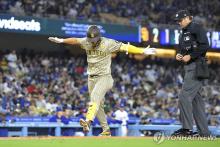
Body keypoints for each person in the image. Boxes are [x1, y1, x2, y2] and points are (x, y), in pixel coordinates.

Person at [48, 25, 156, 136]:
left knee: (95, 97)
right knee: (98, 105)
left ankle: (88, 121)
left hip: (105, 77)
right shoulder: (86, 41)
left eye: (94, 40)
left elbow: (125, 47)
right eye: (90, 40)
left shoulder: (108, 43)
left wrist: (141, 51)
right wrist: (61, 40)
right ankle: (106, 130)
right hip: (91, 78)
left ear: (99, 37)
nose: (92, 42)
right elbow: (75, 40)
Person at [172, 10, 210, 137]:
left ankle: (186, 129)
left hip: (197, 66)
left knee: (184, 96)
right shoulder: (182, 33)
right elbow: (182, 49)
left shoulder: (196, 28)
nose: (179, 22)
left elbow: (205, 45)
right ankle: (204, 133)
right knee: (196, 101)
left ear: (188, 18)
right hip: (189, 67)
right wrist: (179, 54)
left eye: (181, 20)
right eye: (177, 21)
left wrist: (191, 56)